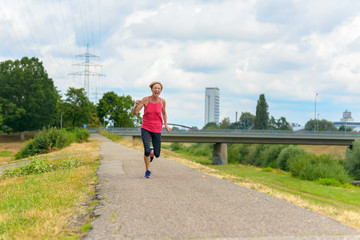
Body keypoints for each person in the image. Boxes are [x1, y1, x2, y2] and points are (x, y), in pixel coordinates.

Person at [132, 81, 171, 178]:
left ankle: (152, 152)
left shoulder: (162, 101)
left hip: (157, 129)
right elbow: (135, 113)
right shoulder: (145, 100)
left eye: (159, 88)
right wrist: (136, 105)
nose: (157, 90)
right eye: (155, 88)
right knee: (146, 151)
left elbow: (164, 113)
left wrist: (165, 125)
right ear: (151, 89)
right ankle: (147, 171)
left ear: (161, 91)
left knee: (157, 154)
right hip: (146, 127)